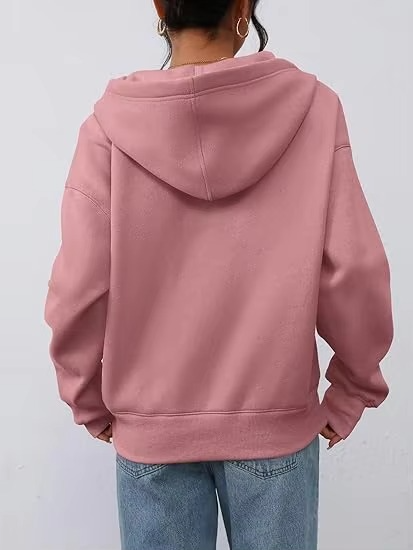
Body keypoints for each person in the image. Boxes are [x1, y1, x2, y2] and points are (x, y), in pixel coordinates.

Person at [44, 0, 394, 549]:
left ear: (160, 7)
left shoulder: (108, 128)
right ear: (243, 7)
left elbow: (78, 288)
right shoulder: (315, 111)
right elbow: (354, 269)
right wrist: (353, 388)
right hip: (275, 429)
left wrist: (86, 397)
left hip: (152, 436)